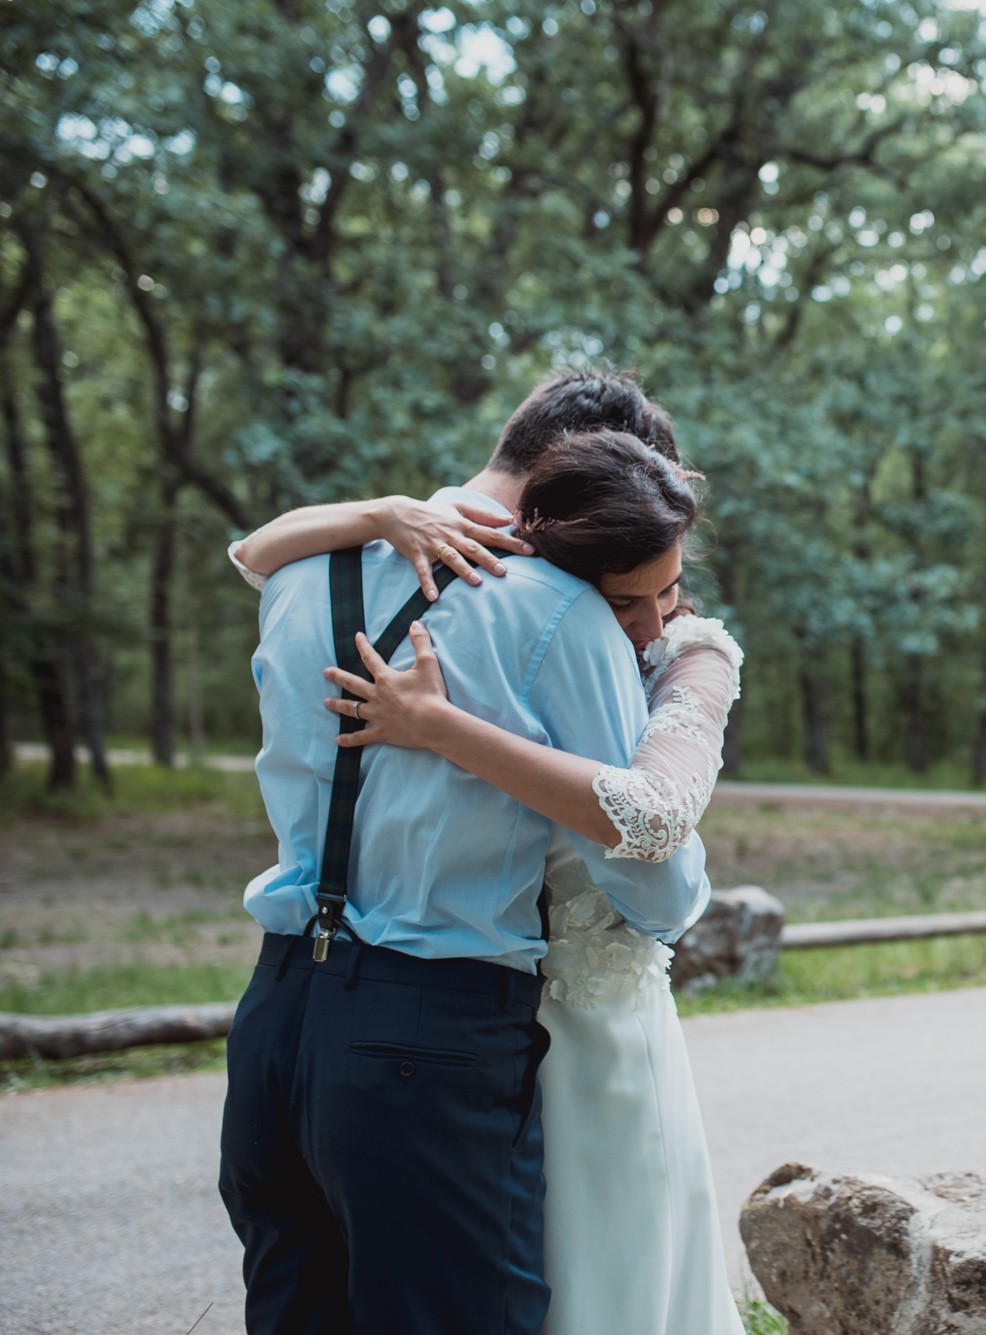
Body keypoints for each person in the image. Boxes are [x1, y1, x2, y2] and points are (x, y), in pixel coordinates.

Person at [220, 371, 738, 1334]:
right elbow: (655, 883)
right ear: (581, 472)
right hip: (431, 1031)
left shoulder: (305, 573)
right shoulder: (558, 611)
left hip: (278, 1012)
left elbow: (251, 554)